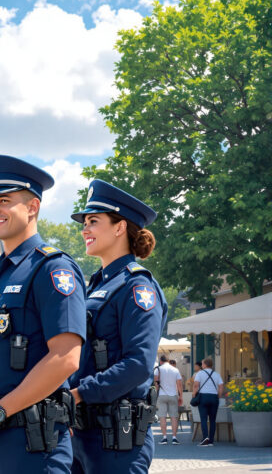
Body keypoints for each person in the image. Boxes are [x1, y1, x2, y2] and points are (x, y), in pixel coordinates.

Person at [0, 156, 86, 474]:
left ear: (33, 207)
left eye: (4, 200)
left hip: (33, 447)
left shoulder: (53, 269)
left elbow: (66, 357)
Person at [68, 179, 167, 473]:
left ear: (120, 227)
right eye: (84, 222)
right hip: (82, 435)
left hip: (117, 444)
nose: (84, 229)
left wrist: (78, 394)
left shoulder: (137, 286)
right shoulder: (97, 284)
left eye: (93, 221)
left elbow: (138, 364)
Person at [192, 358, 224, 447]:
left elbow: (196, 385)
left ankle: (205, 438)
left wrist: (194, 394)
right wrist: (218, 396)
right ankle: (211, 440)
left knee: (203, 419)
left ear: (205, 365)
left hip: (203, 397)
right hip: (214, 397)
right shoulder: (216, 374)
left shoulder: (200, 373)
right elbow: (221, 386)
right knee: (213, 420)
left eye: (202, 363)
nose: (201, 365)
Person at [154, 355, 183, 445]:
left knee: (162, 417)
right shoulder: (175, 369)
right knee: (174, 417)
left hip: (162, 395)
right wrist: (181, 396)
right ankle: (174, 438)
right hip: (173, 395)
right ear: (168, 360)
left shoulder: (157, 369)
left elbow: (156, 384)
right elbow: (179, 384)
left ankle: (164, 438)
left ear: (161, 361)